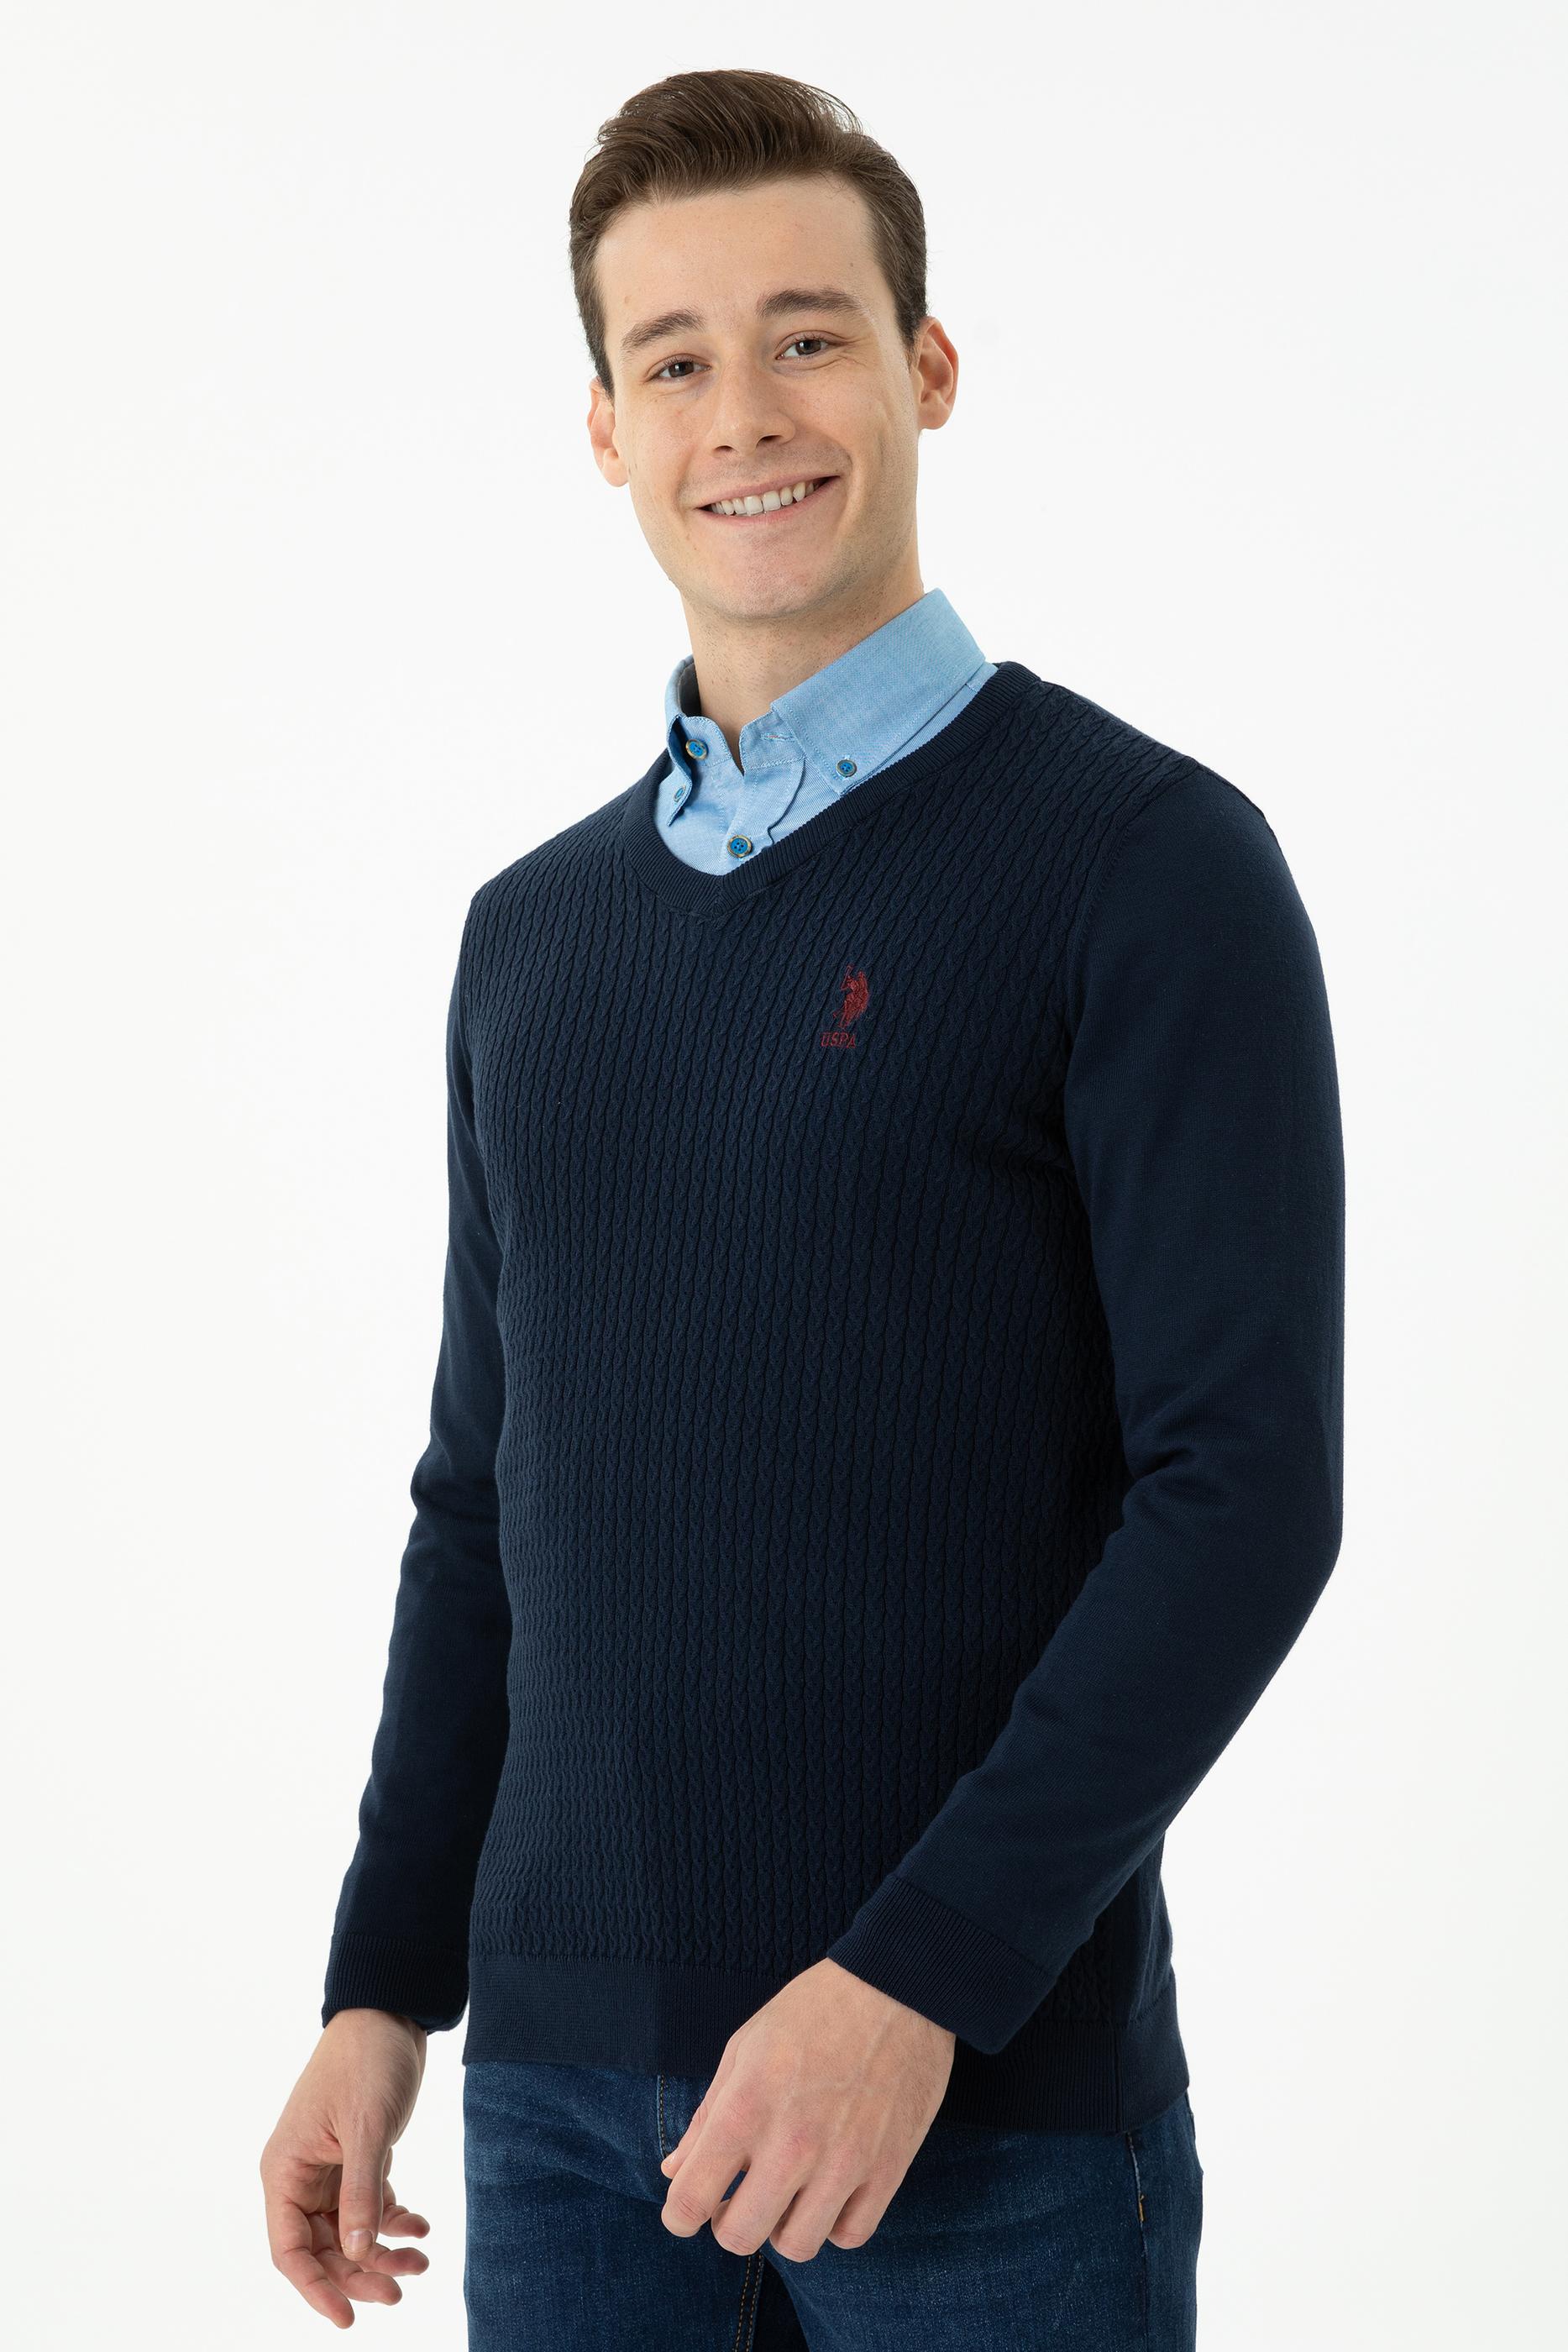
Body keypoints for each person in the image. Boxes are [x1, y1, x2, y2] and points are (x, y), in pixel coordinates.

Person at [260, 64, 1345, 2350]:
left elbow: (1240, 1496)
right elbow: (484, 1500)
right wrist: (383, 1988)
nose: (743, 413)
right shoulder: (529, 939)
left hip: (976, 2119)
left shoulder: (1143, 867)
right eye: (673, 361)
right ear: (605, 428)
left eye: (807, 335)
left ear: (927, 368)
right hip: (562, 2125)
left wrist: (917, 1980)